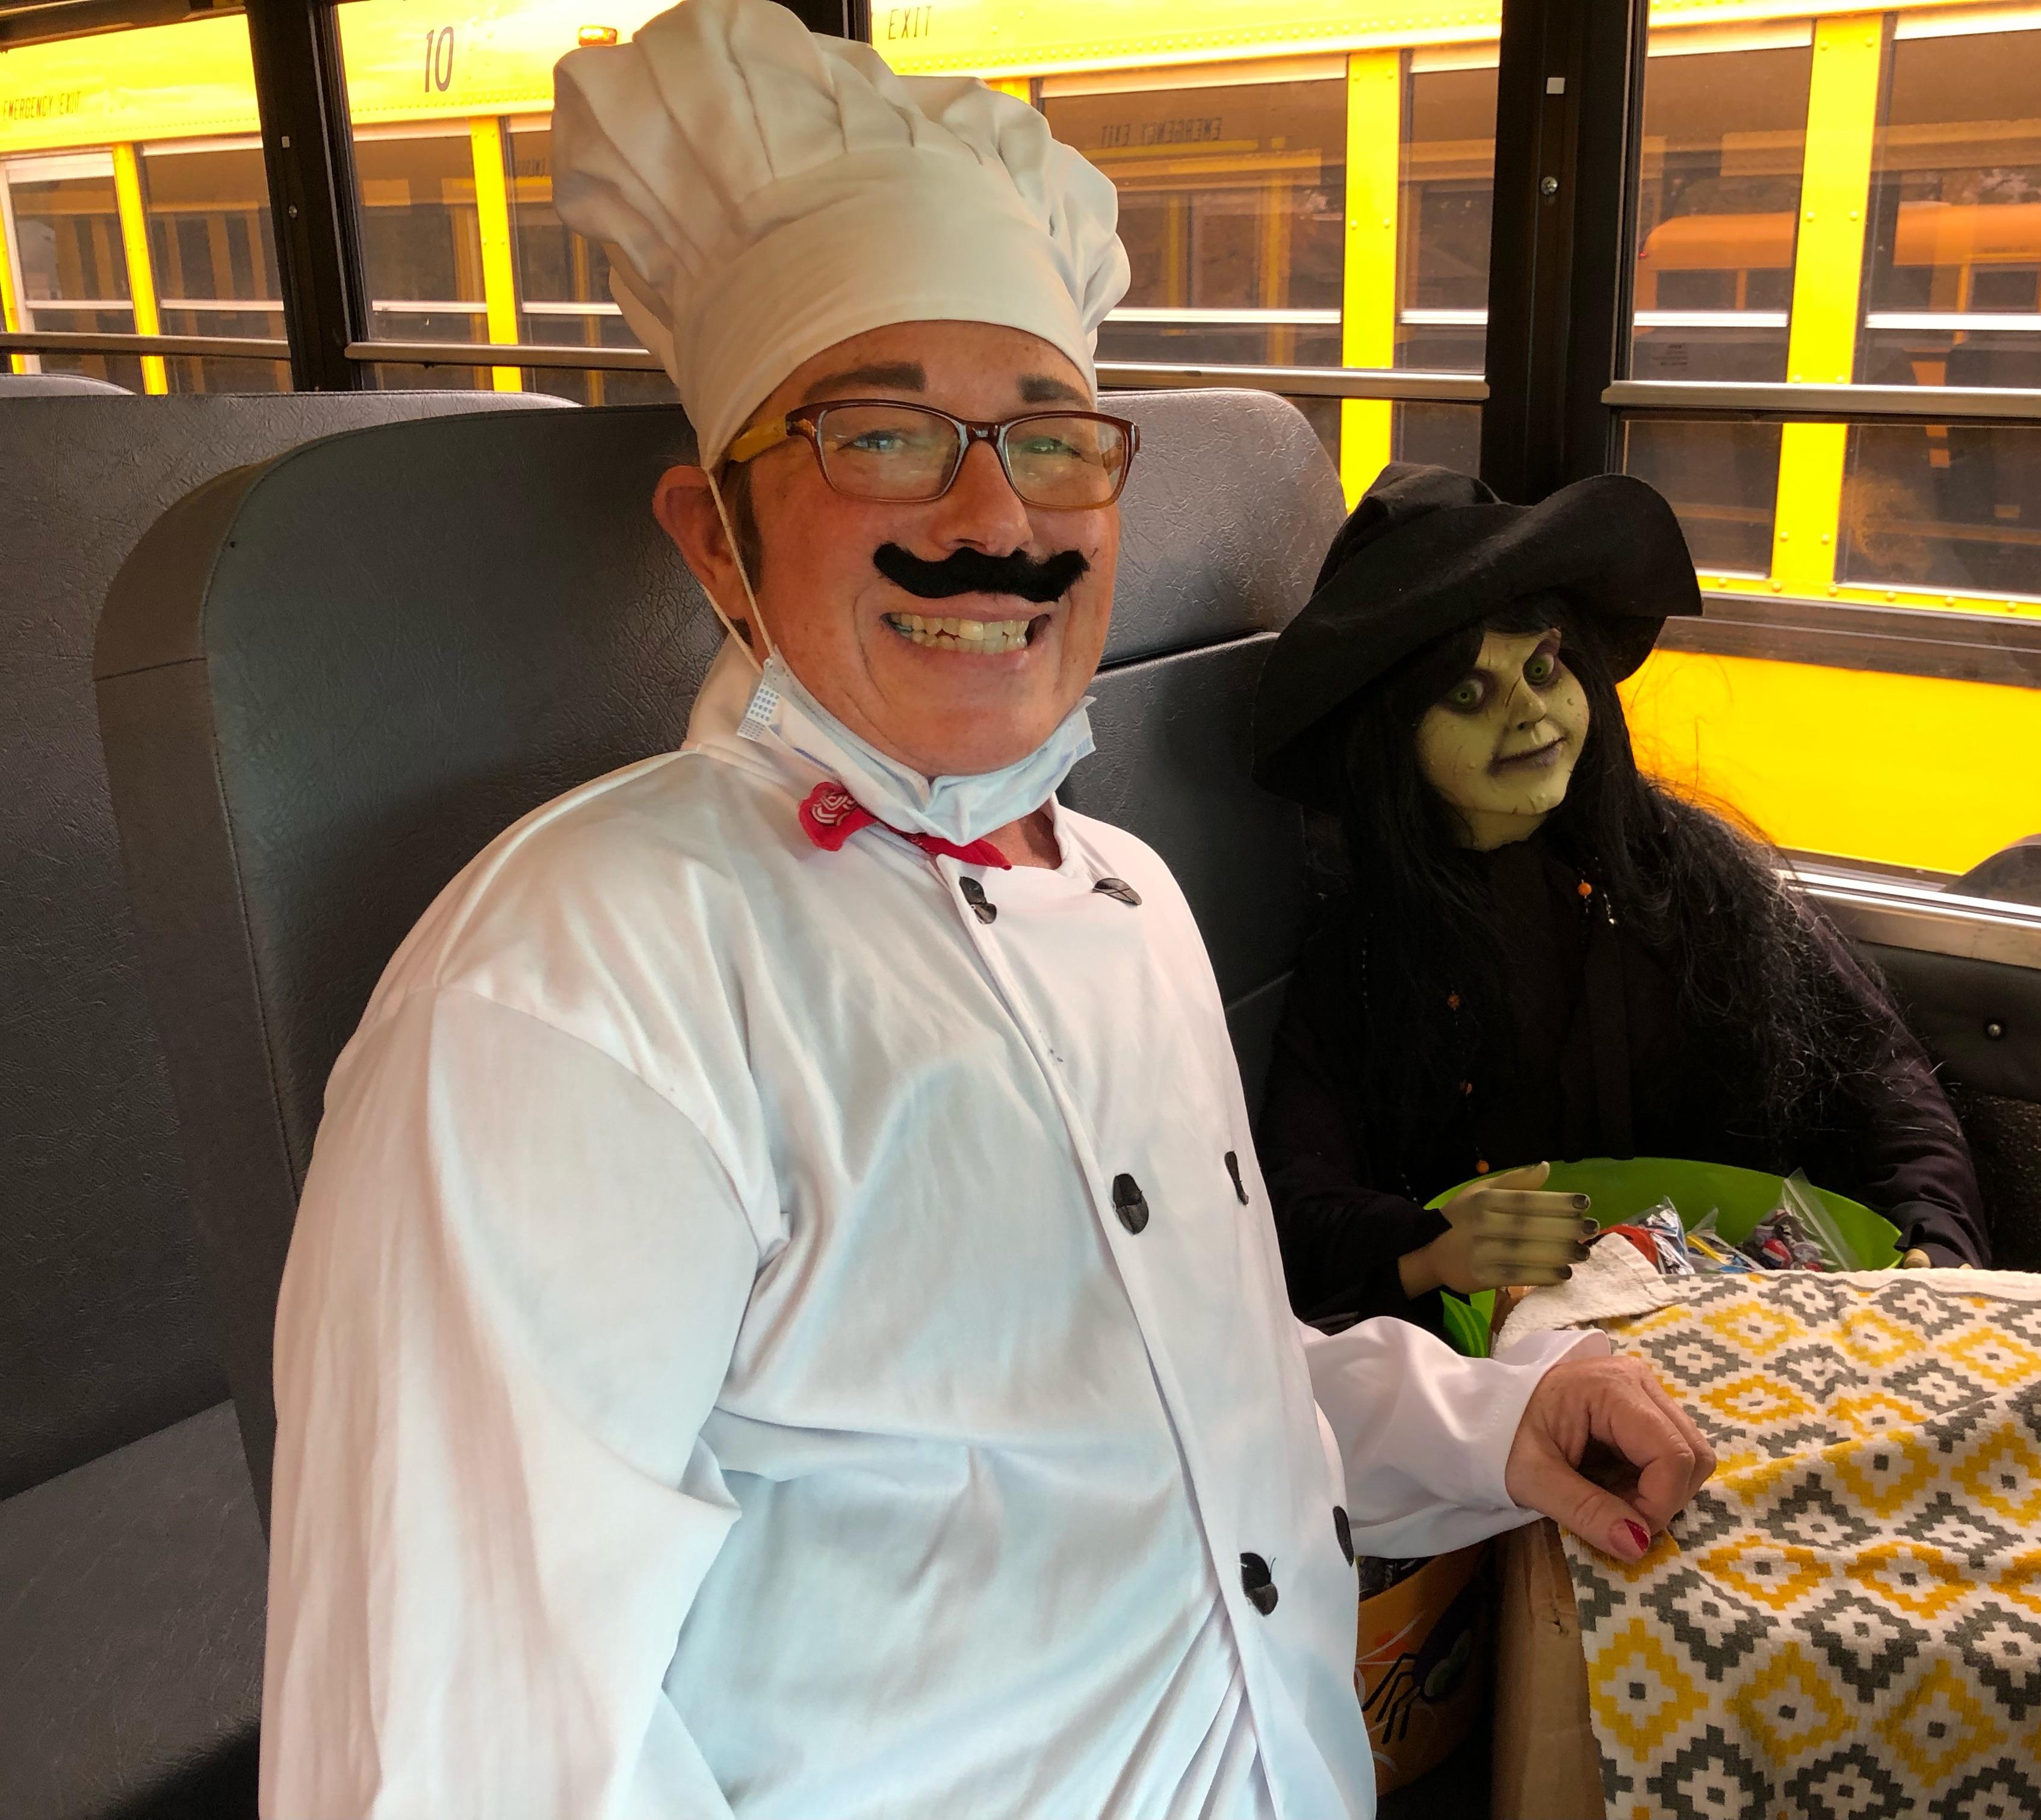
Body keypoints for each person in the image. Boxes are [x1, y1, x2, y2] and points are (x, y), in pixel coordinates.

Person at [256, 6, 1717, 1816]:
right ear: (717, 538)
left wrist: (1496, 1425)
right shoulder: (571, 993)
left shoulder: (1126, 899)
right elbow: (460, 1760)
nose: (990, 518)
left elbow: (1191, 1400)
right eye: (882, 437)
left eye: (1050, 438)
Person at [1250, 465, 1989, 1334]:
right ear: (1389, 745)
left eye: (1542, 666)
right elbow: (1298, 1198)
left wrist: (1933, 1248)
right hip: (1500, 1371)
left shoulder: (1689, 879)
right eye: (1466, 693)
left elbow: (1880, 1082)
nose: (1530, 713)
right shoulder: (1366, 957)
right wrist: (1428, 1249)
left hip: (1733, 1327)